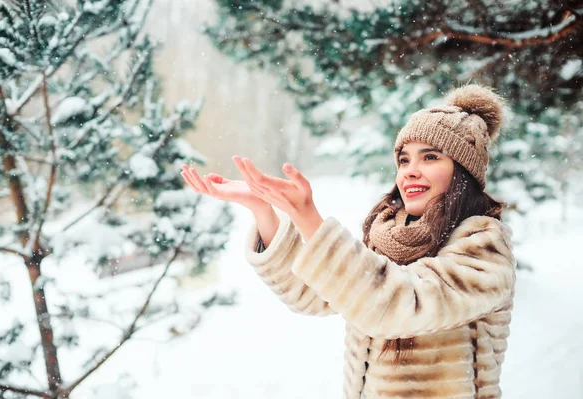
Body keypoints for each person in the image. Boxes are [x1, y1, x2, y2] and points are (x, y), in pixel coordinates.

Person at [180, 84, 516, 399]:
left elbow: (397, 303)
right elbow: (315, 294)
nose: (410, 171)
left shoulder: (484, 247)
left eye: (430, 157)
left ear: (463, 172)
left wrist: (307, 215)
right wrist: (262, 208)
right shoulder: (392, 240)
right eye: (404, 159)